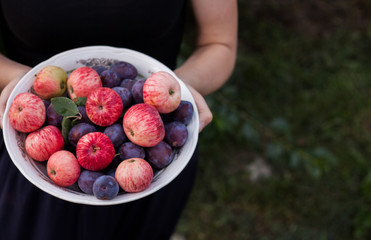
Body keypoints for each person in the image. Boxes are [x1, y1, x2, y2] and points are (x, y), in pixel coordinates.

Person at [0, 0, 238, 239]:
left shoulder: (155, 143)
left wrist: (181, 87)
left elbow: (219, 43)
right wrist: (18, 77)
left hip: (154, 159)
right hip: (34, 160)